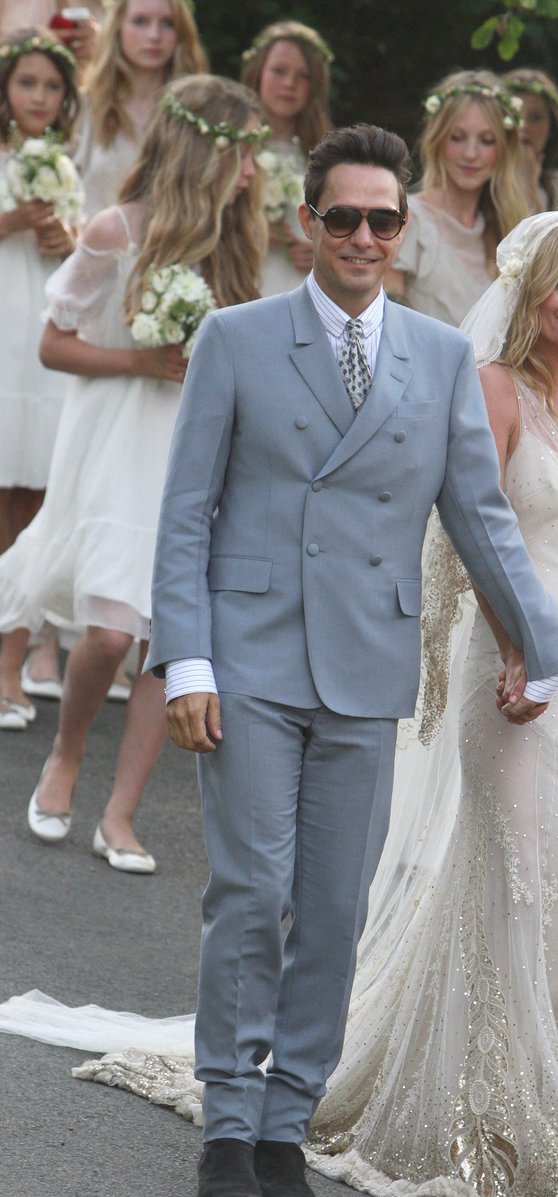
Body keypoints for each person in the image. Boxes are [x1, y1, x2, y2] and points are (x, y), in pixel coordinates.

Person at [146, 125, 558, 1197]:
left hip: (367, 663)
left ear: (402, 229)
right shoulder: (236, 338)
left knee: (335, 907)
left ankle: (285, 1126)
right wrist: (185, 658)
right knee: (253, 892)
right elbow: (186, 511)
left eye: (383, 219)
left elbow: (477, 513)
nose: (363, 236)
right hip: (245, 656)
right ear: (308, 223)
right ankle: (227, 1126)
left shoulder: (438, 357)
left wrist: (541, 644)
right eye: (342, 216)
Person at [293, 212, 558, 1197]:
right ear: (528, 288)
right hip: (521, 672)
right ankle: (497, 1119)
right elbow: (472, 526)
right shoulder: (493, 389)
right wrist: (520, 646)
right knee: (517, 886)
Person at [0, 74, 265, 867]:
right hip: (118, 439)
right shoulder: (115, 229)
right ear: (206, 150)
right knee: (113, 629)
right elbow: (54, 343)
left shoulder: (237, 241)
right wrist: (143, 360)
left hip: (197, 447)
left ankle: (120, 813)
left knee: (168, 636)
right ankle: (66, 754)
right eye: (246, 153)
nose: (255, 171)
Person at [0, 27, 81, 729]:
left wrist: (64, 238)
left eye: (52, 86)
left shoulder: (66, 166)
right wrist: (12, 220)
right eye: (27, 83)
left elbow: (81, 254)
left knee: (33, 501)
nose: (39, 97)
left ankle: (14, 661)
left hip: (41, 346)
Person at [386, 69, 532, 326]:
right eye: (457, 138)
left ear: (504, 148)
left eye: (487, 140)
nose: (470, 153)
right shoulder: (409, 220)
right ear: (438, 140)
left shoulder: (511, 229)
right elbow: (388, 320)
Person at [73, 0, 205, 220]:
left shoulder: (197, 112)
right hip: (94, 237)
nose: (154, 35)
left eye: (168, 23)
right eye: (140, 21)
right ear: (117, 27)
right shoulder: (85, 106)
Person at [241, 19, 332, 296]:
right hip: (246, 278)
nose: (289, 84)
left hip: (304, 283)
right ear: (258, 72)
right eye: (279, 71)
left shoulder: (326, 155)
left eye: (303, 76)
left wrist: (322, 250)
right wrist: (253, 231)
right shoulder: (234, 147)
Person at [504, 68, 558, 213]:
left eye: (535, 118)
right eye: (515, 116)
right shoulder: (477, 179)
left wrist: (529, 188)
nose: (524, 126)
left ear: (551, 128)